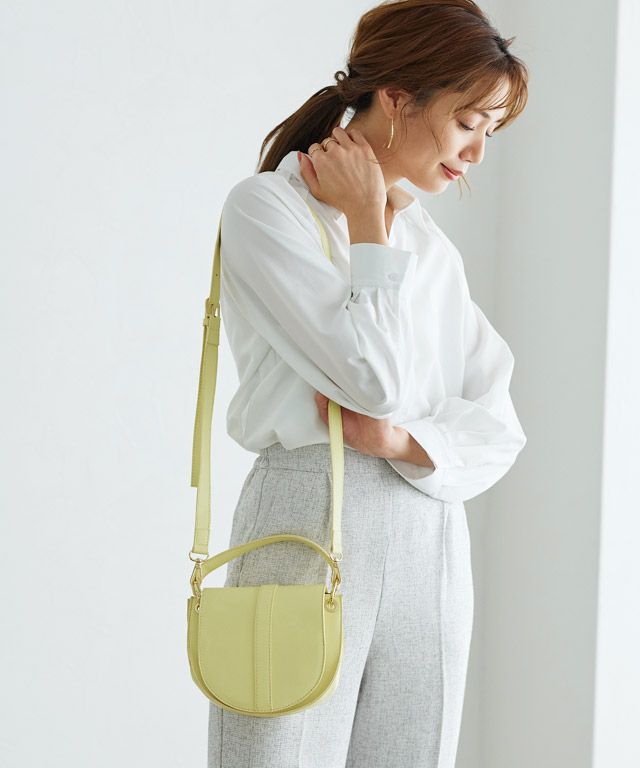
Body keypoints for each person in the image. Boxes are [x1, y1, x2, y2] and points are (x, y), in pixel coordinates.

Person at [207, 1, 529, 765]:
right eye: (467, 122)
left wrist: (403, 442)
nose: (478, 152)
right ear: (397, 98)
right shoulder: (268, 211)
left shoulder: (431, 249)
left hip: (431, 541)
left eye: (491, 131)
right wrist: (366, 225)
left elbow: (498, 427)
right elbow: (372, 382)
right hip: (305, 522)